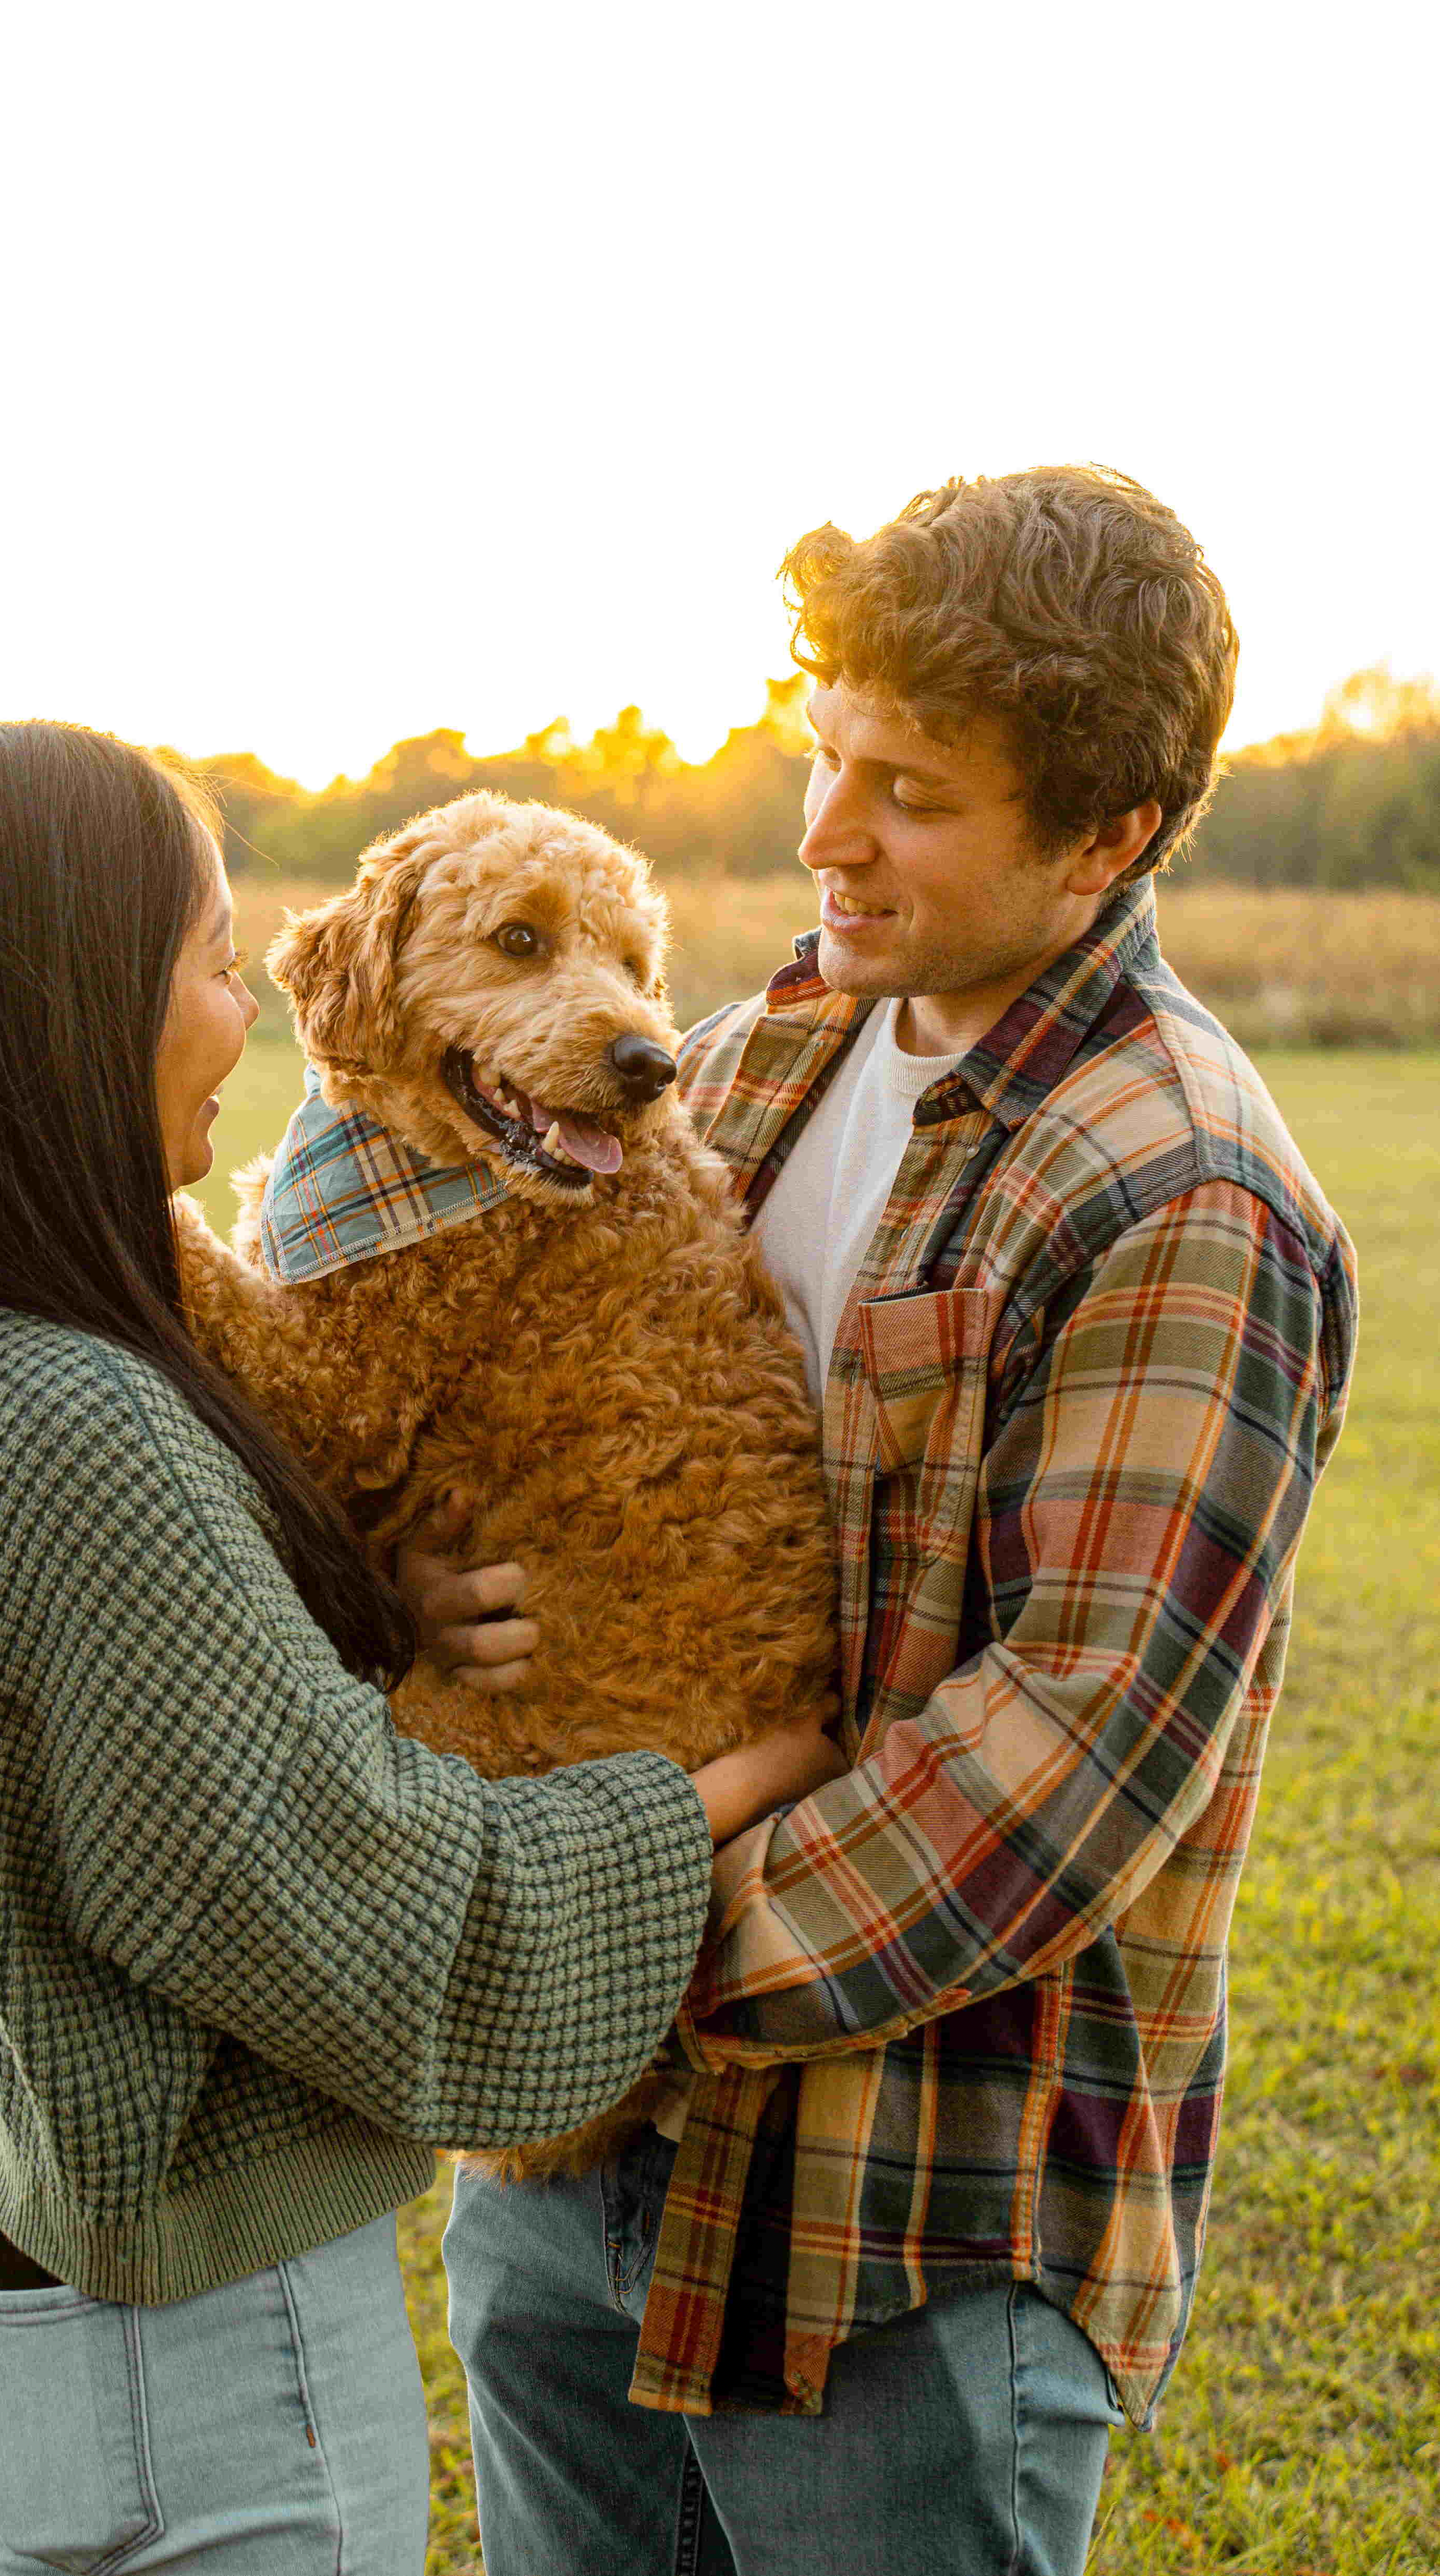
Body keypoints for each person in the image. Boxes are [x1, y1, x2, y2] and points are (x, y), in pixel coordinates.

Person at [0, 719, 841, 2575]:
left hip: (49, 2215)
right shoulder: (82, 1410)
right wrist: (744, 1783)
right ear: (64, 996)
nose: (250, 1004)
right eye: (208, 958)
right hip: (196, 2320)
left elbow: (162, 1731)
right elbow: (377, 1924)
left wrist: (377, 1600)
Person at [429, 466, 1359, 2574]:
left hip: (901, 2216)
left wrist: (600, 1934)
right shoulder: (755, 1048)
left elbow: (1068, 1746)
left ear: (1106, 832)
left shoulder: (1178, 1187)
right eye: (825, 754)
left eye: (912, 791)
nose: (829, 829)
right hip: (575, 2161)